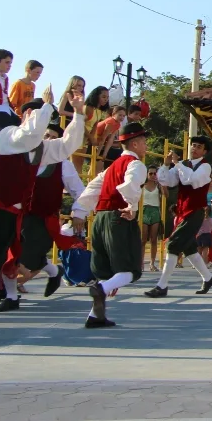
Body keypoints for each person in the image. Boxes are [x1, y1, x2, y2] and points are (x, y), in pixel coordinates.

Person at [0, 89, 84, 300]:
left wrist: (78, 114)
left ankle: (9, 291)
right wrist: (47, 105)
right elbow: (28, 135)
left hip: (11, 215)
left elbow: (67, 146)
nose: (45, 124)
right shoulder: (9, 135)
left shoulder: (41, 149)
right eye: (43, 115)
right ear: (28, 115)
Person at [72, 123, 149, 328]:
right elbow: (130, 184)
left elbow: (92, 189)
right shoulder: (136, 165)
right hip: (119, 219)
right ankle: (102, 289)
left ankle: (95, 315)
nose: (146, 145)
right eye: (143, 141)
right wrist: (131, 205)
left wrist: (79, 211)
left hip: (100, 219)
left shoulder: (111, 167)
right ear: (134, 143)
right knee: (130, 269)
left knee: (106, 272)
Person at [145, 135, 212, 297]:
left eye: (198, 147)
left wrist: (177, 164)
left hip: (195, 212)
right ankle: (208, 277)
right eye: (193, 145)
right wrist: (165, 164)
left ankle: (162, 286)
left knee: (172, 244)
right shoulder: (183, 164)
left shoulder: (205, 167)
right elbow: (167, 181)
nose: (194, 149)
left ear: (204, 151)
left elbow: (193, 180)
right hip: (183, 211)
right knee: (189, 248)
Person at [141, 166, 163, 272]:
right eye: (151, 174)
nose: (153, 175)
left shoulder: (158, 186)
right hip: (144, 210)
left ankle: (152, 263)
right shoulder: (142, 186)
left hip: (155, 211)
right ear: (147, 174)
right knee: (143, 239)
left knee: (154, 239)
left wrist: (161, 185)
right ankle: (141, 263)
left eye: (155, 173)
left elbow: (166, 195)